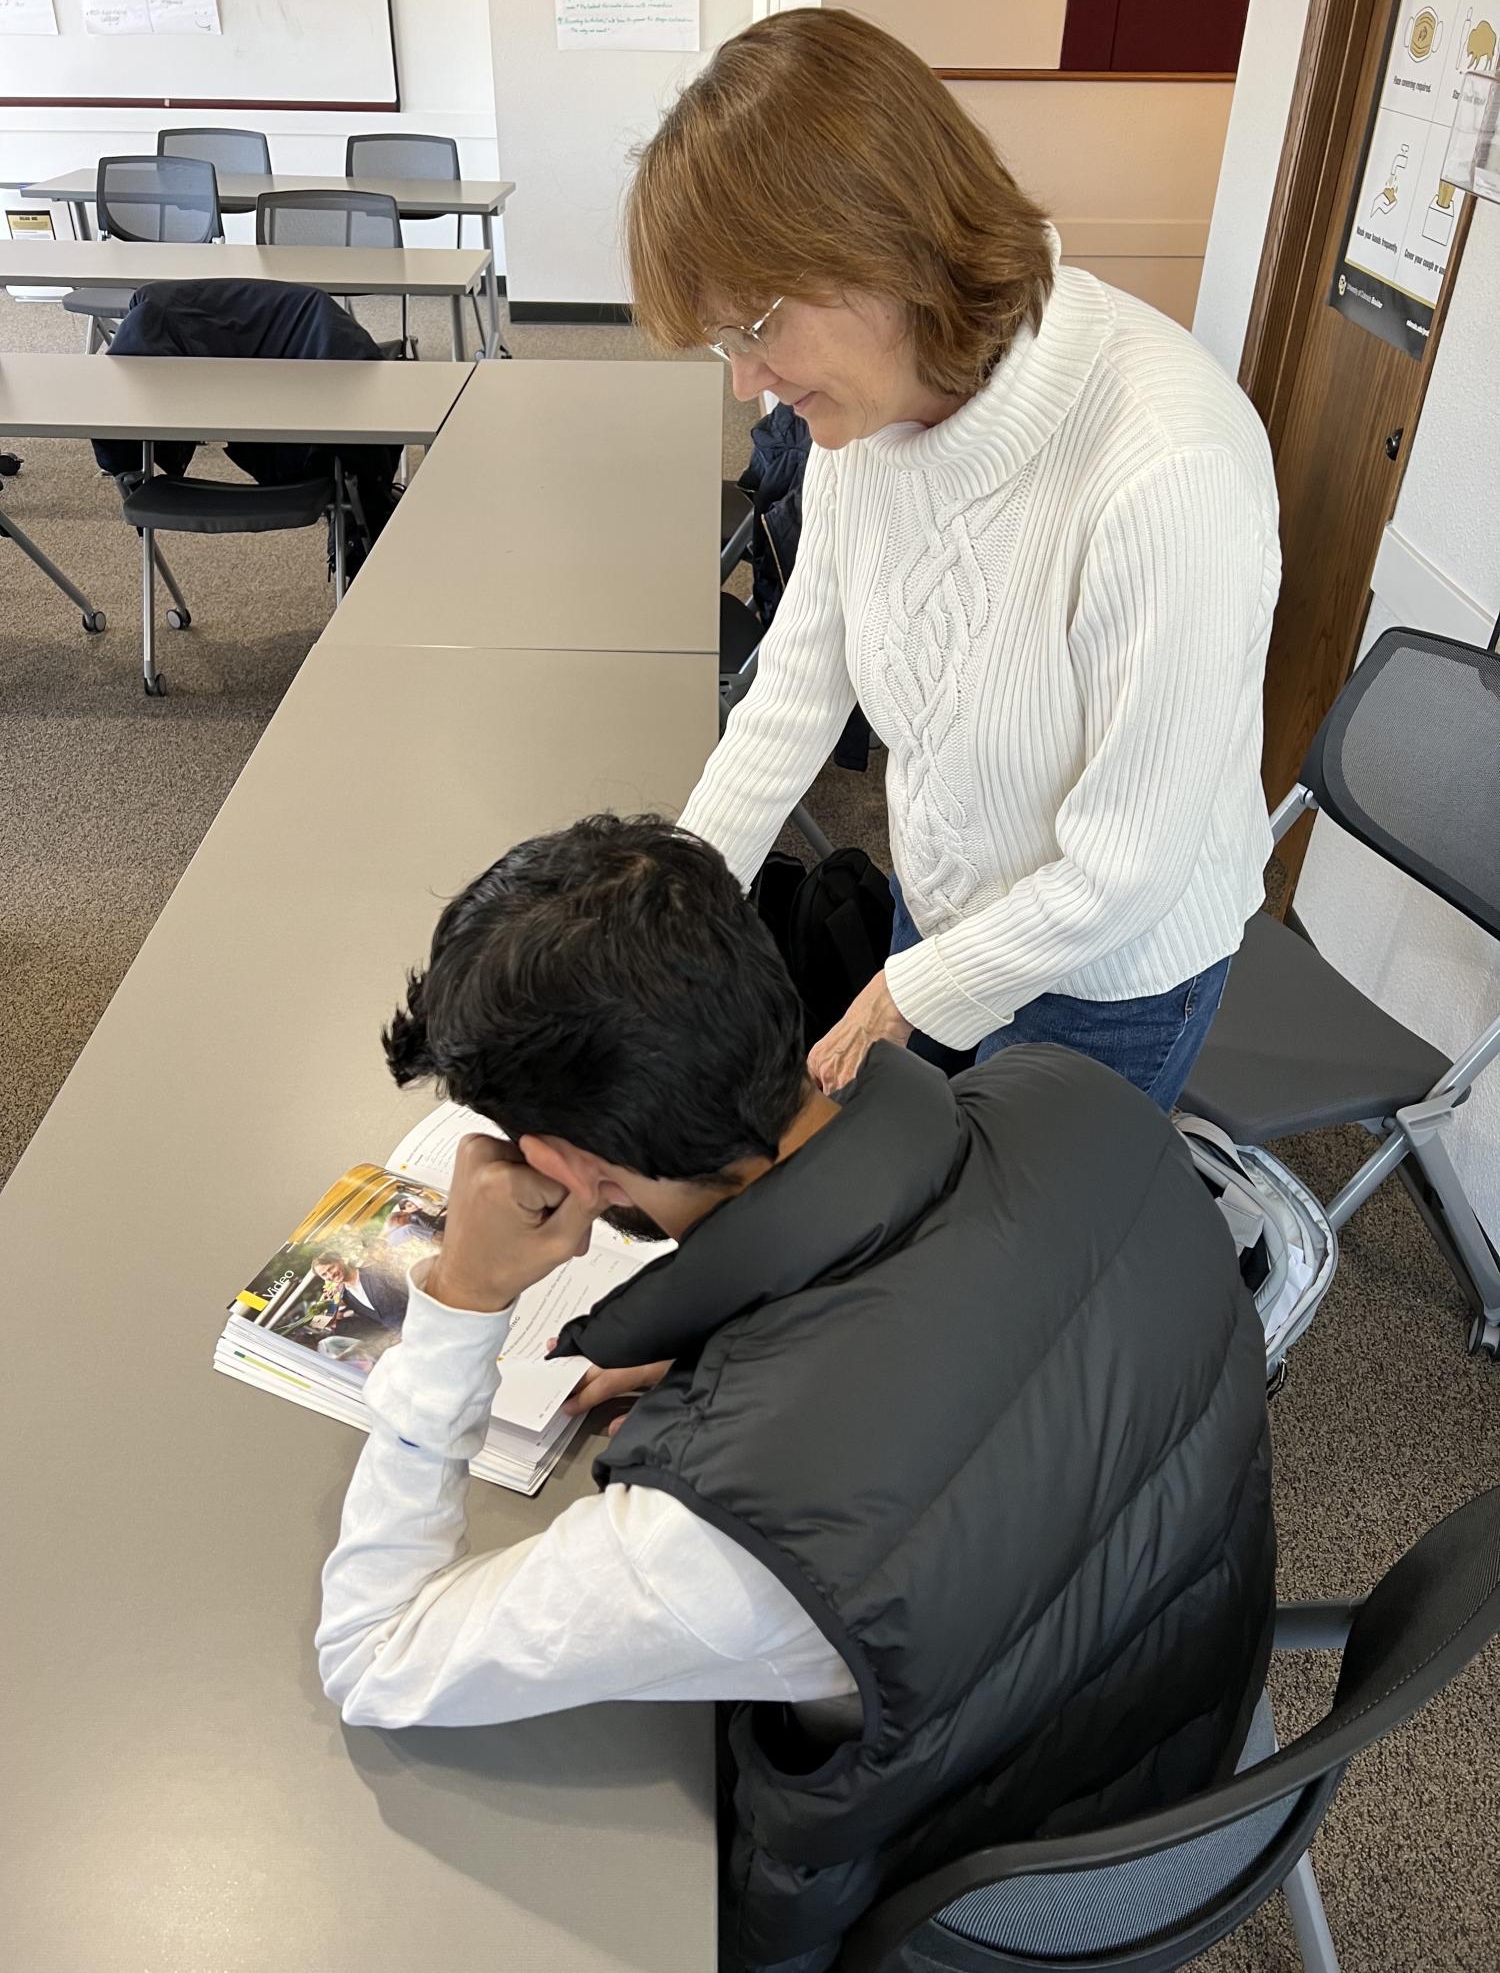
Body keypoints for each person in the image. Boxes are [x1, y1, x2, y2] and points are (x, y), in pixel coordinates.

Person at [316, 815, 1274, 1973]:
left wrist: (465, 1301)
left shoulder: (725, 1540)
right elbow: (971, 1344)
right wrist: (735, 1340)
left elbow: (373, 1653)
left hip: (991, 1852)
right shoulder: (1076, 1098)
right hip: (1180, 1696)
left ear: (563, 1164)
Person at [625, 9, 1282, 1108]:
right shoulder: (870, 413)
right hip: (938, 908)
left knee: (1023, 1264)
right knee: (909, 1197)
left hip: (1110, 973)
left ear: (883, 247)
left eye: (757, 329)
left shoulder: (1167, 465)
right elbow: (796, 687)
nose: (745, 383)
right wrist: (677, 905)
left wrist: (906, 993)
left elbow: (1126, 866)